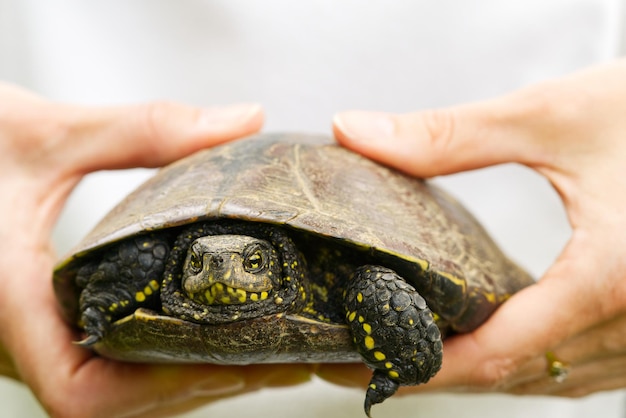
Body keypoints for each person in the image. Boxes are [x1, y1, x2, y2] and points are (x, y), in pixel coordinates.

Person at [1, 1, 625, 417]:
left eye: (249, 260)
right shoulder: (152, 263)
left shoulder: (352, 275)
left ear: (278, 265)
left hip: (555, 342)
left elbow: (383, 282)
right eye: (201, 263)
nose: (224, 272)